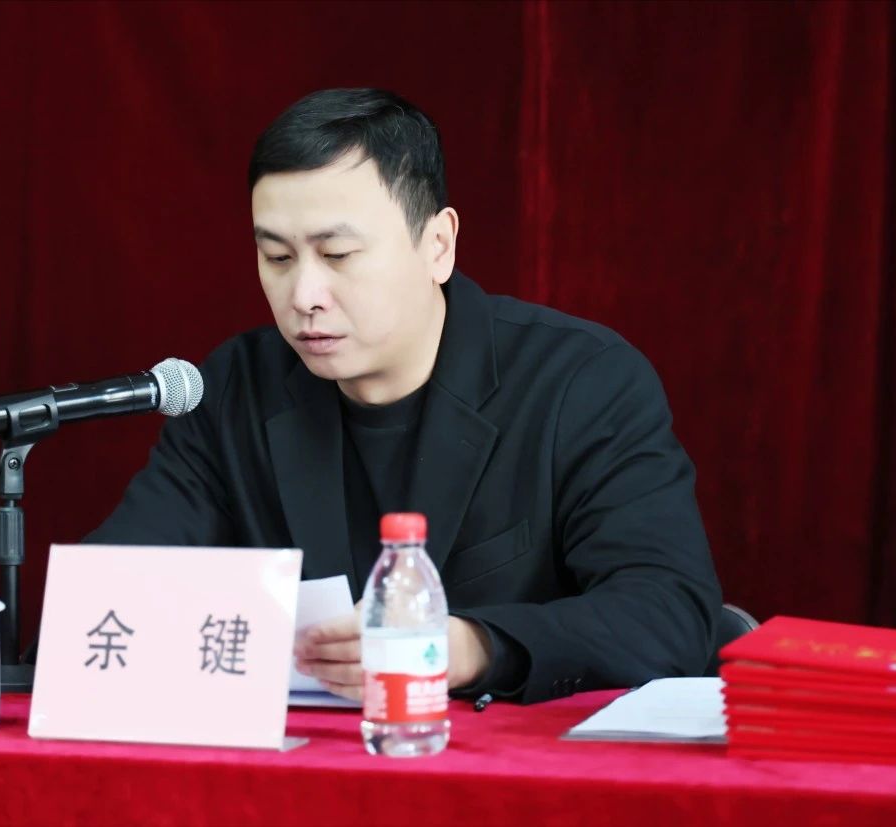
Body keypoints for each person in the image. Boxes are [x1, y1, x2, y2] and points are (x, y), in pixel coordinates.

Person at [85, 88, 722, 704]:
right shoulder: (234, 390)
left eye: (338, 254)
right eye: (277, 258)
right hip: (303, 759)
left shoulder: (580, 382)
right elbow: (111, 597)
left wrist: (469, 647)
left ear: (437, 245)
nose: (304, 295)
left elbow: (669, 612)